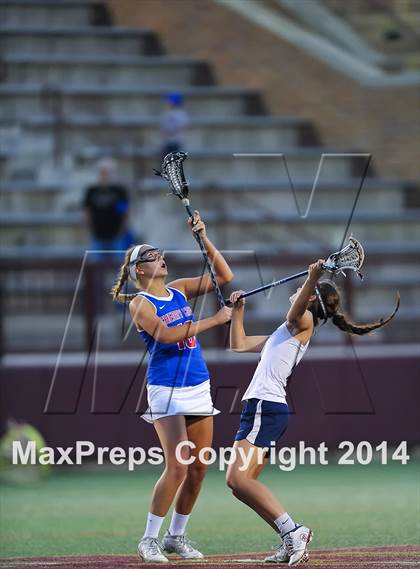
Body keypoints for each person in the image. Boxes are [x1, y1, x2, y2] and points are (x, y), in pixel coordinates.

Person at [227, 260, 400, 566]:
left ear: (309, 301)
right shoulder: (288, 330)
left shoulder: (302, 322)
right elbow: (238, 344)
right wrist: (238, 311)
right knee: (242, 486)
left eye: (302, 291)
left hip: (264, 408)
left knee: (237, 480)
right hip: (265, 408)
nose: (295, 292)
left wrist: (312, 277)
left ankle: (295, 531)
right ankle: (289, 536)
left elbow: (294, 311)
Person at [111, 211, 233, 563]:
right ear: (139, 271)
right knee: (178, 465)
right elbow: (166, 335)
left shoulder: (178, 289)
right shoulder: (140, 303)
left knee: (199, 467)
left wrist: (203, 238)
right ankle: (149, 539)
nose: (160, 257)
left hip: (198, 384)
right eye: (152, 256)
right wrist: (215, 319)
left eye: (159, 253)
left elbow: (223, 276)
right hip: (166, 388)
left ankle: (175, 537)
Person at [83, 158, 133, 258]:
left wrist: (122, 229)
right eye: (102, 172)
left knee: (119, 267)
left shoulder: (119, 192)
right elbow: (87, 212)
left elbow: (125, 212)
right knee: (96, 266)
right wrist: (90, 228)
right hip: (98, 235)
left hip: (116, 235)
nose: (104, 175)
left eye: (107, 172)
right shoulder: (92, 191)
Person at [160, 92, 189, 163]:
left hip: (176, 142)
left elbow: (181, 127)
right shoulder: (166, 113)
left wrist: (171, 132)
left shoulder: (180, 114)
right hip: (167, 142)